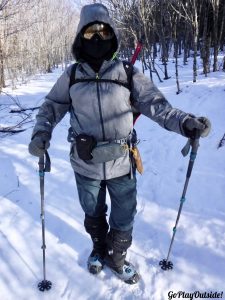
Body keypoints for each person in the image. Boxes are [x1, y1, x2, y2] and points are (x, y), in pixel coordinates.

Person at [28, 3, 211, 284]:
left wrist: (186, 122)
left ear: (112, 35)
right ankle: (99, 250)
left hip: (122, 163)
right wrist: (41, 133)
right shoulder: (72, 76)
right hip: (85, 163)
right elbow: (51, 107)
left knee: (125, 215)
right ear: (80, 37)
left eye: (103, 31)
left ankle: (117, 256)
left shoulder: (127, 74)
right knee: (93, 212)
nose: (98, 38)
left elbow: (157, 106)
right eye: (91, 33)